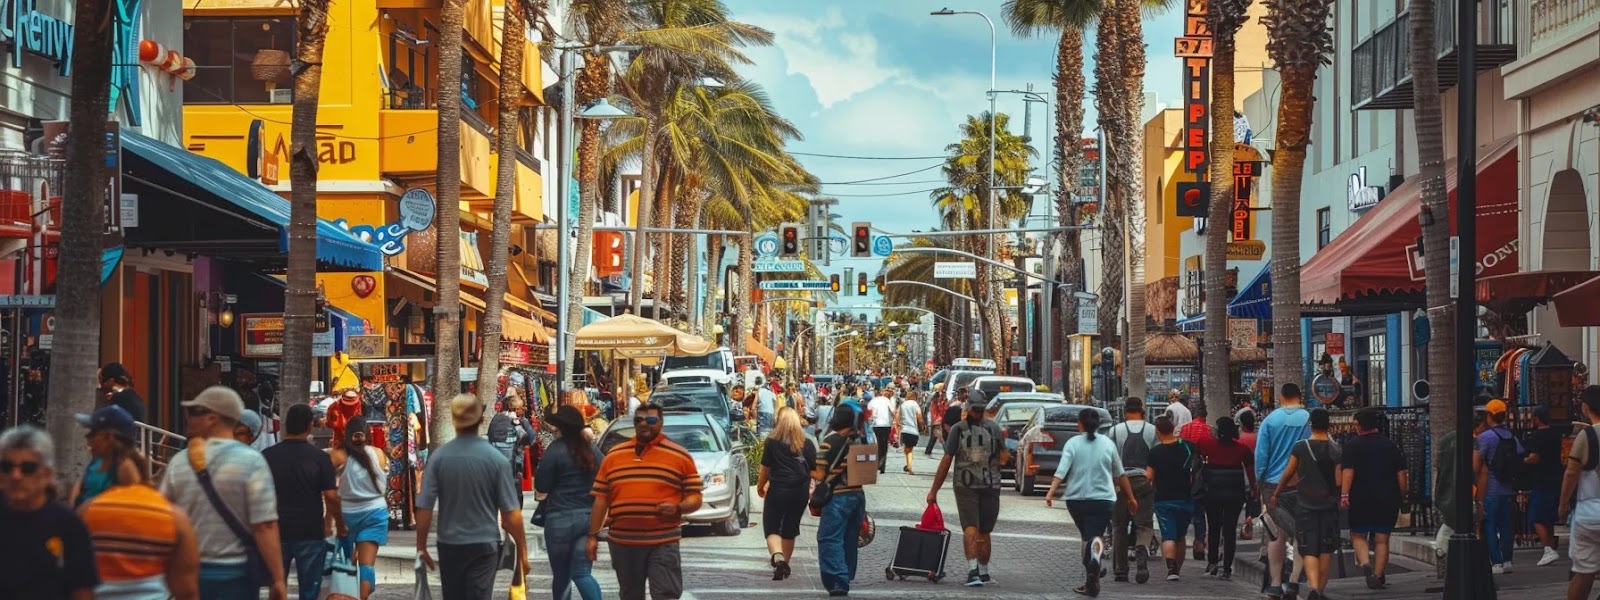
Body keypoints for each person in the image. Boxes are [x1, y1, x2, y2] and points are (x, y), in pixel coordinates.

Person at [161, 386, 287, 600]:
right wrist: (277, 579)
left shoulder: (179, 463)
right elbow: (264, 525)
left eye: (195, 412)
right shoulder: (252, 461)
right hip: (237, 575)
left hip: (190, 575)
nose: (188, 418)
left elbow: (164, 519)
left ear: (212, 418)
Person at [415, 394, 529, 600]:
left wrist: (421, 546)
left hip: (449, 543)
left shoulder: (439, 458)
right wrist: (522, 550)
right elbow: (511, 513)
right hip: (484, 543)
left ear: (453, 419)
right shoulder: (496, 460)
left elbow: (424, 507)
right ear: (481, 420)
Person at [588, 403, 702, 600]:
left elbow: (695, 497)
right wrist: (592, 536)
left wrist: (678, 507)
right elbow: (601, 500)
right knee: (630, 595)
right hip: (624, 543)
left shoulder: (680, 456)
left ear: (661, 422)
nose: (644, 424)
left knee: (666, 594)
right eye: (638, 420)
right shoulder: (614, 456)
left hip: (663, 541)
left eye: (650, 420)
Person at [80, 441, 203, 600]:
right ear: (144, 473)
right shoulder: (173, 516)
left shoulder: (85, 513)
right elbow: (186, 589)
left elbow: (76, 582)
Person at [0, 426, 100, 600]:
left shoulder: (68, 525)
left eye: (28, 468)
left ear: (46, 474)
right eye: (7, 467)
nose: (16, 476)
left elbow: (82, 590)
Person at [1045, 408, 1136, 597]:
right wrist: (1131, 497)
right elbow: (1120, 474)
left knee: (1087, 536)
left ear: (1080, 423)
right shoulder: (1108, 444)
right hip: (1103, 500)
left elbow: (1062, 470)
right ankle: (1093, 566)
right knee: (1094, 534)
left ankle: (1091, 572)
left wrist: (1051, 491)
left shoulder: (1073, 443)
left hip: (1076, 500)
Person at [262, 404, 343, 600]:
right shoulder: (320, 458)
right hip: (310, 531)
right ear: (310, 426)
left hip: (275, 530)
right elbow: (331, 497)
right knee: (309, 589)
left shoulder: (267, 456)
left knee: (276, 587)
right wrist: (337, 525)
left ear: (286, 425)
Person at [927, 389, 1005, 587]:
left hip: (965, 485)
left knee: (970, 527)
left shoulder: (958, 429)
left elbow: (946, 460)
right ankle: (984, 572)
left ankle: (973, 572)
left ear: (968, 408)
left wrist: (934, 490)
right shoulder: (994, 429)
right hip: (991, 484)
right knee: (985, 531)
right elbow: (1003, 458)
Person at [1271, 408, 1342, 600]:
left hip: (1306, 506)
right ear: (1329, 426)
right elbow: (1338, 481)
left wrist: (1277, 493)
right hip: (1328, 506)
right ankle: (1319, 589)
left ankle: (1312, 587)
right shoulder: (1336, 450)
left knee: (1309, 547)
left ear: (1311, 424)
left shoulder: (1301, 447)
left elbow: (1288, 473)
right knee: (1326, 548)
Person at [536, 406, 602, 600]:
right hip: (588, 518)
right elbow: (607, 477)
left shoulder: (554, 450)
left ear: (559, 427)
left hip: (559, 519)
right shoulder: (592, 450)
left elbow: (542, 484)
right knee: (582, 573)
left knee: (562, 576)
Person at [1340, 407, 1407, 590]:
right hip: (1387, 496)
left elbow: (1348, 472)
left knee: (1358, 535)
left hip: (1360, 496)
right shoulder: (1391, 445)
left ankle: (1366, 564)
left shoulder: (1352, 446)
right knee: (1382, 539)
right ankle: (1377, 575)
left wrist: (1345, 494)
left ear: (1360, 425)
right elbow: (1401, 475)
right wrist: (1402, 495)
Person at [1256, 383, 1312, 598]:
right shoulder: (1307, 418)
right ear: (1300, 396)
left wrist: (1259, 481)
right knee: (1301, 532)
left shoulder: (1270, 420)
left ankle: (1276, 583)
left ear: (1281, 397)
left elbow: (1262, 455)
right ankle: (1294, 581)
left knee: (1275, 534)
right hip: (1302, 482)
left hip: (1272, 483)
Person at [331, 416, 388, 599]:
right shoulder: (379, 453)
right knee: (367, 565)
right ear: (368, 434)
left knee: (346, 567)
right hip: (376, 512)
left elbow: (328, 487)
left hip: (347, 514)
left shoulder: (339, 455)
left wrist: (329, 519)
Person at [757, 407, 817, 581]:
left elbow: (765, 468)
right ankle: (784, 565)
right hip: (800, 491)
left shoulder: (772, 441)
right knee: (790, 528)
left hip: (778, 489)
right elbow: (815, 470)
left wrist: (760, 486)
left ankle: (778, 556)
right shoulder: (808, 442)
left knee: (772, 527)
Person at [813, 404, 866, 597]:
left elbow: (819, 474)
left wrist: (805, 467)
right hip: (858, 495)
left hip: (837, 497)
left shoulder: (829, 442)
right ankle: (846, 574)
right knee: (849, 538)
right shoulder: (860, 440)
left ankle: (838, 579)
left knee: (829, 538)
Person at [1107, 396, 1158, 584]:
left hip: (1121, 483)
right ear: (1142, 411)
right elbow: (1157, 460)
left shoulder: (1114, 431)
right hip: (1145, 482)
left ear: (1124, 411)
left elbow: (1110, 460)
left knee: (1119, 526)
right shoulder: (1152, 431)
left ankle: (1120, 570)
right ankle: (1142, 554)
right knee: (1144, 525)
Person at [1196, 415, 1253, 580]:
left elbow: (1198, 446)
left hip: (1213, 491)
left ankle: (1212, 562)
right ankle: (1227, 567)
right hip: (1235, 493)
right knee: (1230, 530)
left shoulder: (1208, 445)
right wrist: (1254, 489)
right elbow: (1250, 470)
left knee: (1213, 527)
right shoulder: (1242, 449)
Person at [1146, 415, 1198, 581]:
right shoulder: (1187, 447)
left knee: (1168, 536)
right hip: (1186, 498)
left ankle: (1171, 569)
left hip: (1163, 499)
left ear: (1158, 431)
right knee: (1181, 536)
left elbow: (1149, 476)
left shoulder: (1155, 452)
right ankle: (1178, 568)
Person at [1476, 398, 1523, 574]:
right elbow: (1519, 454)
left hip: (1490, 488)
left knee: (1489, 524)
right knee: (1506, 525)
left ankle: (1496, 562)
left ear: (1489, 416)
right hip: (1507, 489)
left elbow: (1476, 464)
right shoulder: (1511, 436)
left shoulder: (1484, 438)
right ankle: (1508, 560)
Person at [1561, 385, 1600, 600]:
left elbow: (1571, 473)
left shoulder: (1586, 436)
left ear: (1586, 408)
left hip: (1589, 513)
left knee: (1584, 572)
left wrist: (1562, 504)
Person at [71, 405, 147, 507]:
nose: (87, 438)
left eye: (93, 433)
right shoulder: (97, 462)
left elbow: (133, 507)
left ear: (109, 437)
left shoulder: (125, 468)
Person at [1525, 405, 1565, 567]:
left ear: (1537, 418)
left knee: (1536, 517)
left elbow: (1534, 457)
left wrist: (1524, 461)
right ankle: (1550, 547)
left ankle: (1548, 548)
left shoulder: (1538, 436)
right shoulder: (1555, 435)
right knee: (1548, 517)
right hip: (1554, 479)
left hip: (1541, 480)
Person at [1177, 402, 1212, 562]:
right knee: (1201, 512)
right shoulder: (1209, 429)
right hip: (1203, 473)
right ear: (1204, 416)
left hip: (1185, 472)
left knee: (1186, 509)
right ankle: (1199, 543)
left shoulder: (1185, 429)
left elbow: (1180, 448)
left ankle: (1181, 539)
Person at [488, 393, 537, 500]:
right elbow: (532, 438)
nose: (522, 410)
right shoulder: (518, 421)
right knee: (515, 493)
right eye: (520, 408)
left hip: (495, 463)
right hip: (514, 462)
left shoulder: (496, 419)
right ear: (515, 409)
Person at [867, 387, 895, 475]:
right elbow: (893, 411)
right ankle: (882, 465)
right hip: (886, 425)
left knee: (877, 444)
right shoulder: (887, 400)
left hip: (875, 424)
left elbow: (868, 410)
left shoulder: (873, 401)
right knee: (884, 445)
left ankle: (876, 464)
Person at [895, 389, 923, 474]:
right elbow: (919, 417)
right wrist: (923, 426)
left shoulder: (903, 404)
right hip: (913, 431)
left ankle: (908, 465)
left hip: (904, 430)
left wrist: (898, 424)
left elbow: (897, 415)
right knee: (910, 450)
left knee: (907, 448)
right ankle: (909, 466)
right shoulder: (915, 405)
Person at [924, 383, 949, 457]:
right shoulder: (939, 399)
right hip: (938, 419)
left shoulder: (933, 398)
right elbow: (942, 409)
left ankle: (928, 450)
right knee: (941, 437)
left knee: (934, 437)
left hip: (934, 419)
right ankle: (947, 451)